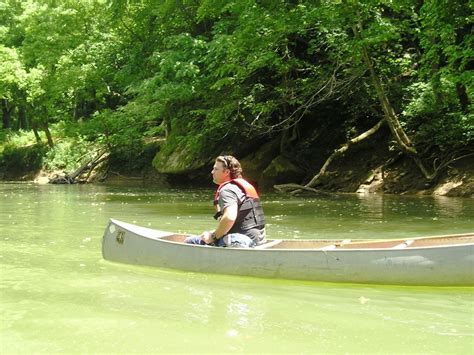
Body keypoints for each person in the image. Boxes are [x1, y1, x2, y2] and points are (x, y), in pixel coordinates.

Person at [185, 155, 266, 248]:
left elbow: (229, 218)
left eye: (215, 169)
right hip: (259, 240)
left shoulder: (227, 190)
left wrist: (213, 236)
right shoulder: (241, 188)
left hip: (243, 241)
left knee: (189, 241)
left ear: (226, 172)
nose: (212, 172)